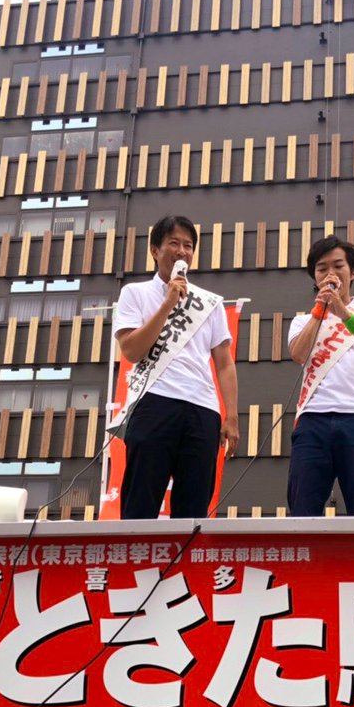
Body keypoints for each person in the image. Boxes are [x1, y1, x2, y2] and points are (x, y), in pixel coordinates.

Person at [112, 215, 239, 519]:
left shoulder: (209, 303)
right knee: (141, 499)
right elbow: (131, 350)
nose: (182, 251)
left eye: (188, 245)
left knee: (194, 506)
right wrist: (167, 303)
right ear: (155, 250)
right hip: (154, 402)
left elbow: (224, 363)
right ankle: (136, 551)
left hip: (203, 409)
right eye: (174, 243)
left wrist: (232, 416)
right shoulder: (135, 293)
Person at [286, 236, 354, 516]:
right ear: (314, 276)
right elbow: (298, 354)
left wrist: (344, 313)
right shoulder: (302, 321)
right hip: (313, 420)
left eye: (338, 266)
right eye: (322, 269)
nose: (330, 274)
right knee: (303, 509)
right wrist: (319, 313)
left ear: (352, 272)